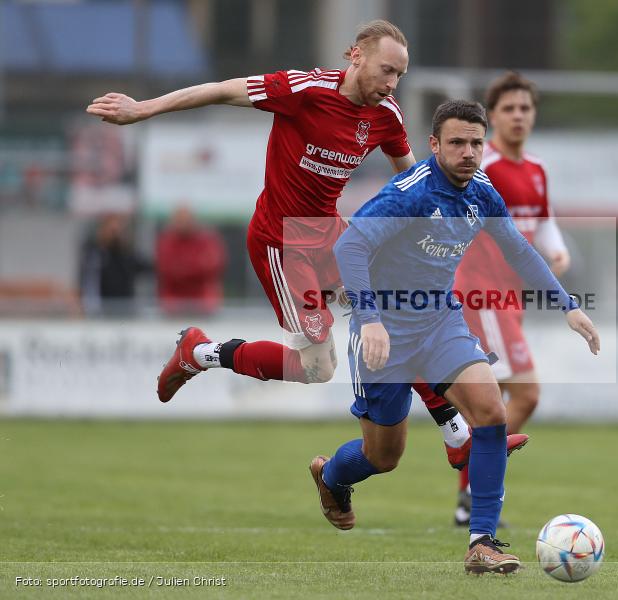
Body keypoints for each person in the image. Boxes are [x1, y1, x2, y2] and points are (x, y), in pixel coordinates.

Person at [85, 19, 515, 473]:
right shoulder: (303, 89)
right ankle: (199, 353)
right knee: (316, 366)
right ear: (355, 55)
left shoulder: (385, 114)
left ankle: (456, 435)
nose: (391, 84)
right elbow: (220, 89)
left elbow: (412, 178)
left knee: (396, 305)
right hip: (282, 243)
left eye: (399, 76)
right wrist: (143, 109)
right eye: (386, 71)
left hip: (329, 234)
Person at [311, 100, 599, 574]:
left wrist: (567, 305)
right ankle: (330, 475)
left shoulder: (483, 192)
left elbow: (519, 252)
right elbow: (351, 244)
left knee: (490, 413)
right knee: (383, 456)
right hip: (384, 331)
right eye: (457, 143)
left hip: (440, 322)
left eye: (476, 143)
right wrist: (372, 319)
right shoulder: (411, 193)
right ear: (434, 145)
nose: (468, 152)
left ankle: (481, 541)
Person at [414, 72, 572, 526]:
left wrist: (554, 250)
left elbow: (543, 221)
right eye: (509, 109)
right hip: (480, 295)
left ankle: (468, 478)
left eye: (525, 108)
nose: (519, 115)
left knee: (499, 400)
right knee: (523, 393)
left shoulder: (536, 170)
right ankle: (473, 479)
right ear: (493, 117)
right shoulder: (483, 170)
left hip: (511, 301)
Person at [156, 205, 226, 316]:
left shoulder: (207, 240)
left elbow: (213, 265)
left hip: (203, 302)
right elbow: (167, 268)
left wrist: (182, 267)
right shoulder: (167, 241)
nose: (183, 223)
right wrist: (196, 266)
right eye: (180, 219)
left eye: (186, 219)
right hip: (173, 304)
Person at [79, 213, 151, 317]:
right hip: (100, 311)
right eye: (112, 231)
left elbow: (148, 267)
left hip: (125, 310)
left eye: (118, 231)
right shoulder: (94, 255)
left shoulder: (128, 255)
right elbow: (86, 283)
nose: (115, 235)